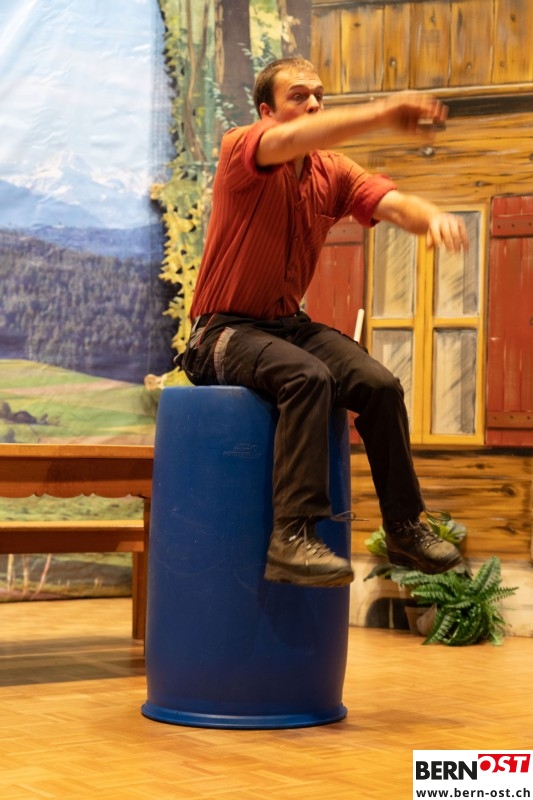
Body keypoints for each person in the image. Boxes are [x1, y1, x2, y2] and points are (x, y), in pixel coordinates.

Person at [179, 57, 468, 588]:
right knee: (307, 376)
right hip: (221, 331)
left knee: (380, 385)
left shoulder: (330, 171)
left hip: (286, 326)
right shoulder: (241, 149)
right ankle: (292, 537)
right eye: (298, 95)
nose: (313, 103)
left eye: (318, 95)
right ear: (266, 112)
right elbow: (295, 137)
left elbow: (390, 204)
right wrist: (383, 112)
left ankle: (405, 527)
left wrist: (431, 217)